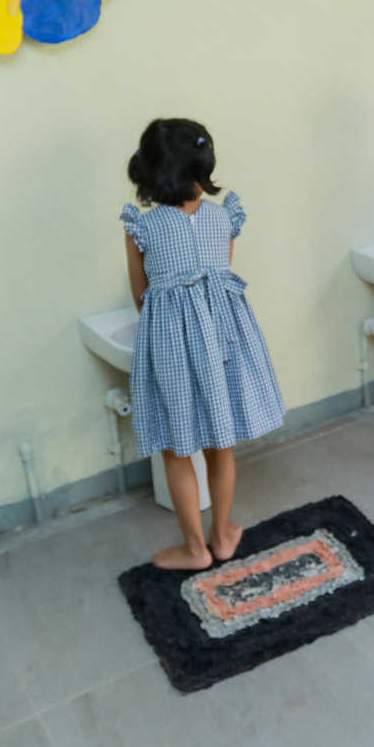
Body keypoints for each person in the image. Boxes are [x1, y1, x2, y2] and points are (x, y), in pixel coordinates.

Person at [121, 119, 286, 569]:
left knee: (178, 449)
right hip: (224, 343)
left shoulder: (142, 226)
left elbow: (141, 295)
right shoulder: (223, 218)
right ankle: (223, 534)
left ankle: (194, 549)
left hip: (172, 346)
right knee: (221, 443)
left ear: (149, 170)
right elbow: (220, 283)